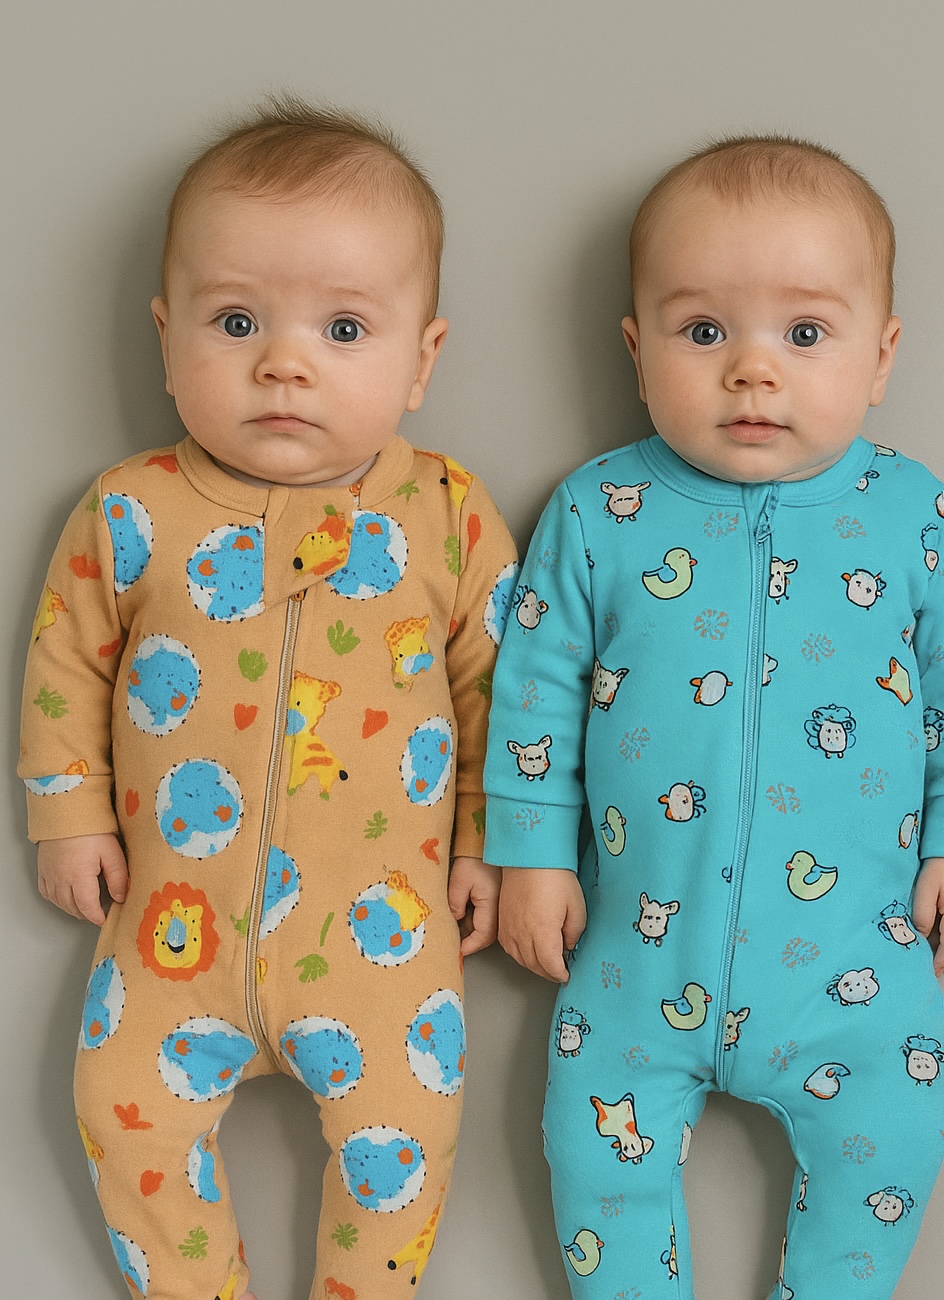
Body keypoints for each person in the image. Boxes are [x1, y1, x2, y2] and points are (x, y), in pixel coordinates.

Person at [483, 136, 944, 1299]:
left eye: (805, 333)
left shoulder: (911, 511)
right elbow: (534, 686)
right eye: (703, 331)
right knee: (591, 1151)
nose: (752, 372)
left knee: (899, 1129)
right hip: (634, 953)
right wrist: (530, 856)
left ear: (881, 356)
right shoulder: (600, 510)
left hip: (854, 965)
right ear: (637, 350)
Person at [19, 95, 517, 1300]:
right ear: (166, 333)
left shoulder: (447, 514)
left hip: (382, 938)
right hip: (169, 927)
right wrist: (68, 813)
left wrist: (489, 841)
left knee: (408, 1137)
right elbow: (66, 661)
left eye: (344, 328)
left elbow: (503, 695)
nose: (284, 362)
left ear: (422, 359)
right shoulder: (131, 509)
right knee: (119, 1111)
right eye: (236, 320)